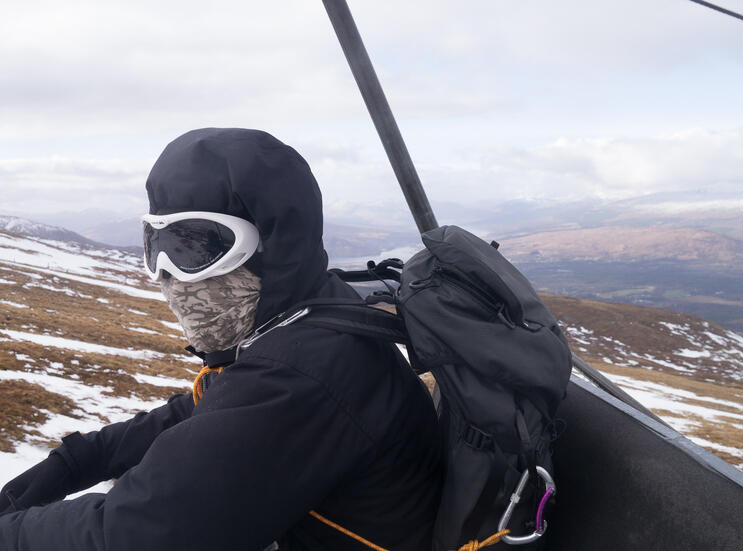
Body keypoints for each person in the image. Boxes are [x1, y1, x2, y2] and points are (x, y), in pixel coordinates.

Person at [0, 128, 442, 550]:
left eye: (196, 247)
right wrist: (73, 463)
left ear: (273, 246)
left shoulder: (299, 378)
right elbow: (207, 409)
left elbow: (134, 536)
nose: (170, 276)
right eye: (156, 245)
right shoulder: (313, 314)